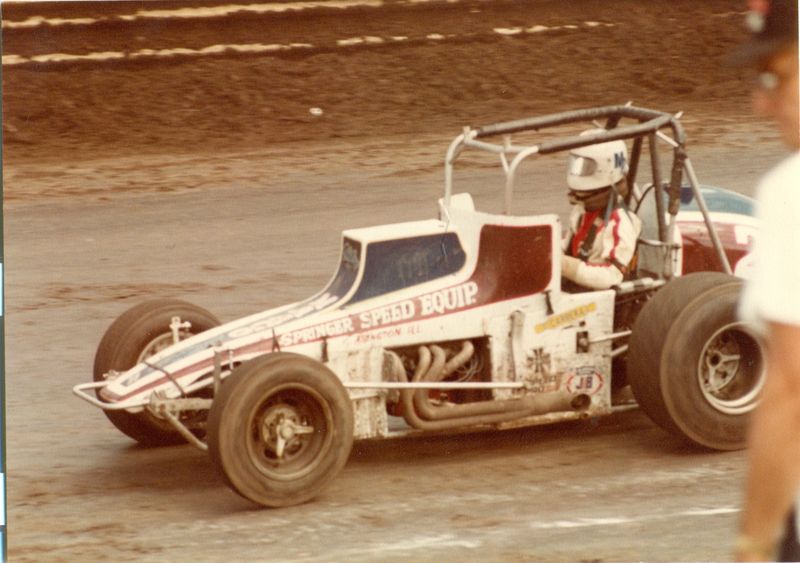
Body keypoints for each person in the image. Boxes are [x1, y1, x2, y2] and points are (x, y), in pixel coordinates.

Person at [732, 0, 800, 560]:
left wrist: (753, 544)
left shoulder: (791, 191)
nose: (761, 102)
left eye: (774, 77)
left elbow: (790, 384)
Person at [561, 132, 642, 290]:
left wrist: (566, 266)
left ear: (606, 169)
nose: (577, 171)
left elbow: (613, 276)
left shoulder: (620, 222)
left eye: (585, 166)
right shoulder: (581, 211)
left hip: (599, 301)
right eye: (576, 164)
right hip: (574, 293)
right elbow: (566, 247)